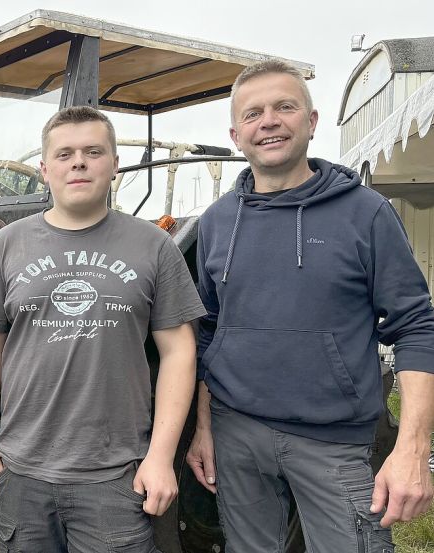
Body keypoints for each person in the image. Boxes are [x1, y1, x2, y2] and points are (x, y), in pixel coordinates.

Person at [188, 59, 434, 552]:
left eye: (285, 106)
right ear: (236, 134)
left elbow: (416, 327)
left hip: (333, 442)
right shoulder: (216, 222)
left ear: (312, 121)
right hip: (236, 432)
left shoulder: (366, 213)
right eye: (254, 113)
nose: (270, 121)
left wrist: (412, 448)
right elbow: (206, 332)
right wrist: (202, 428)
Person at [0, 105, 205, 553]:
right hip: (23, 473)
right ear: (45, 169)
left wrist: (159, 458)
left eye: (93, 151)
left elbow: (179, 352)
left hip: (115, 476)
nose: (78, 162)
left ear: (115, 165)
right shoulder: (7, 245)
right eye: (65, 153)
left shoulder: (154, 246)